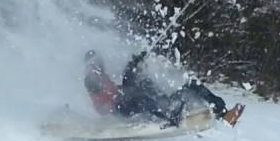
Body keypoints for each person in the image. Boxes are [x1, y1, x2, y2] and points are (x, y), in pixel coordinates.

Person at [83, 49, 243, 125]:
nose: (99, 63)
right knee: (141, 98)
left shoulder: (104, 77)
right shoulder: (91, 78)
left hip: (129, 101)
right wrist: (129, 73)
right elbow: (105, 95)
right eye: (95, 62)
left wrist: (134, 64)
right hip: (118, 110)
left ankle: (223, 113)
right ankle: (172, 116)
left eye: (99, 61)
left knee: (189, 86)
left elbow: (124, 87)